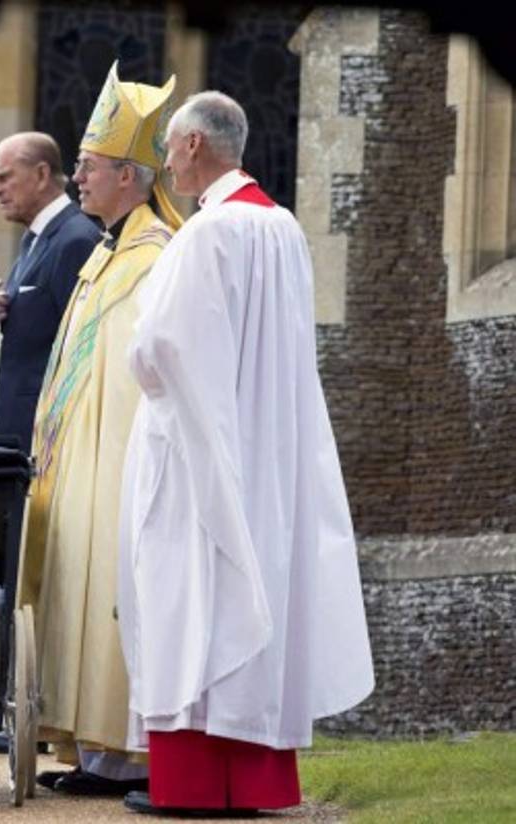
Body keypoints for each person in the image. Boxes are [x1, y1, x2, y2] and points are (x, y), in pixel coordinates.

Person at [117, 90, 374, 816]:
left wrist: (144, 369)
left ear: (195, 145)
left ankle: (194, 786)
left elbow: (162, 345)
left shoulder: (207, 234)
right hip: (270, 445)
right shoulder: (284, 227)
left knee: (192, 594)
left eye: (169, 148)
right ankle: (251, 784)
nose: (166, 162)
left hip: (204, 448)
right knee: (251, 588)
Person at [16, 62, 186, 796]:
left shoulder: (154, 258)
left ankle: (124, 749)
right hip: (74, 463)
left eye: (86, 168)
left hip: (118, 462)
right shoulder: (107, 250)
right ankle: (91, 749)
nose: (76, 180)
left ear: (127, 174)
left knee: (110, 593)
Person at [0, 132, 101, 755]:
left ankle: (14, 712)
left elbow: (79, 352)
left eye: (6, 175)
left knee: (18, 578)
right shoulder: (38, 240)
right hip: (4, 437)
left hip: (40, 442)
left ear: (42, 174)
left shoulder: (75, 242)